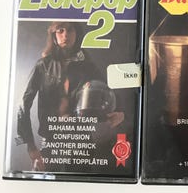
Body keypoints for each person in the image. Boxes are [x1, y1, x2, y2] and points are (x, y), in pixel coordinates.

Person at [16, 21, 123, 171]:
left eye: (70, 30)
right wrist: (30, 145)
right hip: (51, 139)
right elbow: (23, 105)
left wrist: (119, 112)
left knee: (81, 182)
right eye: (60, 30)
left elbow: (107, 91)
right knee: (45, 181)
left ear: (77, 34)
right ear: (53, 35)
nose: (65, 35)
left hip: (81, 138)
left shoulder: (87, 66)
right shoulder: (43, 65)